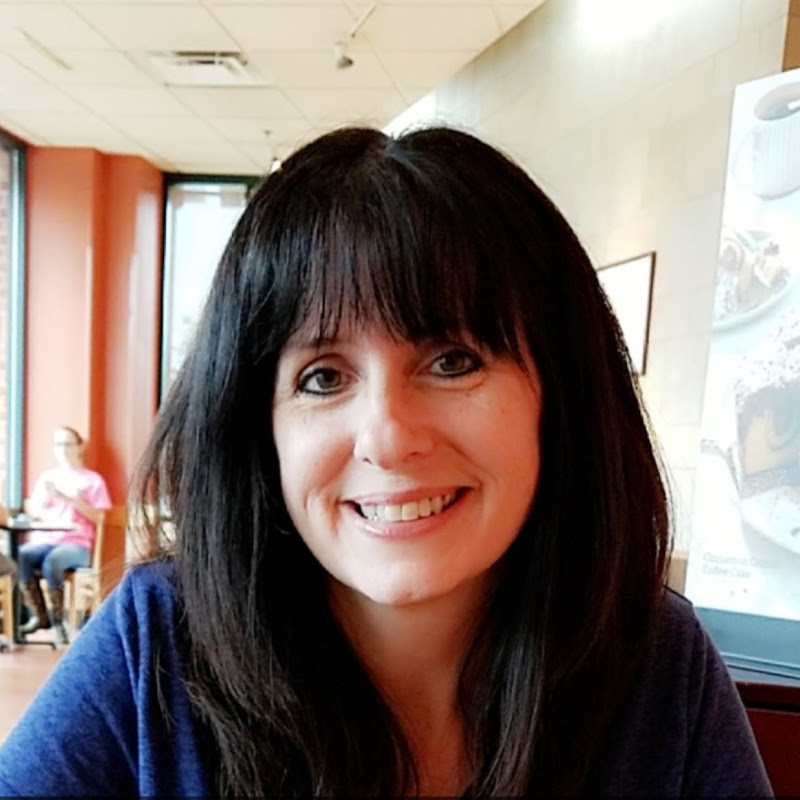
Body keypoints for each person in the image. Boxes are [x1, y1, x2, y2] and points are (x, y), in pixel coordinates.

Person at [0, 127, 772, 797]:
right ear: (257, 428)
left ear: (560, 395)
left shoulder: (654, 664)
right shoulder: (158, 647)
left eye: (453, 360)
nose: (389, 437)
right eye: (322, 378)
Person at [16, 425, 111, 644]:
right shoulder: (47, 478)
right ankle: (40, 616)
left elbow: (100, 518)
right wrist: (46, 499)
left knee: (53, 562)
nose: (64, 449)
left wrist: (75, 501)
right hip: (45, 538)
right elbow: (33, 511)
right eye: (59, 444)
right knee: (22, 556)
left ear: (80, 447)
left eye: (68, 444)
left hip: (77, 544)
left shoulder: (92, 480)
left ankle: (59, 622)